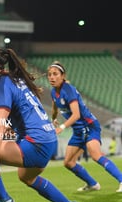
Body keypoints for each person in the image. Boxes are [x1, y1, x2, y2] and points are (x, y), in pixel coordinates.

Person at [0, 44, 82, 202]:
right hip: (49, 140)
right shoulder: (15, 78)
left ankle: (3, 199)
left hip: (35, 144)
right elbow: (28, 110)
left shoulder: (2, 84)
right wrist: (14, 127)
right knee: (26, 176)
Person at [48, 61, 122, 193]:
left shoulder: (68, 90)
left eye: (55, 74)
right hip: (78, 131)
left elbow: (76, 115)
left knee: (96, 155)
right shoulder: (54, 92)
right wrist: (54, 119)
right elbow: (55, 108)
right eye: (49, 75)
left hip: (89, 126)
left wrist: (62, 126)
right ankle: (93, 184)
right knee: (68, 162)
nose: (52, 77)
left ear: (63, 76)